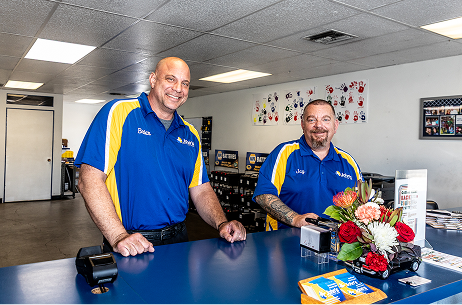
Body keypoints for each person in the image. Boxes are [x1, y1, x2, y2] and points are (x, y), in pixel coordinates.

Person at [76, 57, 246, 257]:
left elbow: (200, 189)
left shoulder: (190, 134)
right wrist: (118, 236)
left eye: (185, 83)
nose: (178, 88)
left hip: (179, 240)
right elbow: (89, 180)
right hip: (130, 242)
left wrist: (222, 223)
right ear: (153, 79)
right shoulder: (119, 113)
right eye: (171, 79)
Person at [253, 99, 363, 231]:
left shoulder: (349, 162)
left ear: (335, 125)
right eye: (311, 120)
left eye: (326, 119)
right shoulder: (284, 153)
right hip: (284, 244)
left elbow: (362, 205)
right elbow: (263, 195)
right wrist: (295, 219)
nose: (319, 125)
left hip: (335, 246)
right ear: (302, 125)